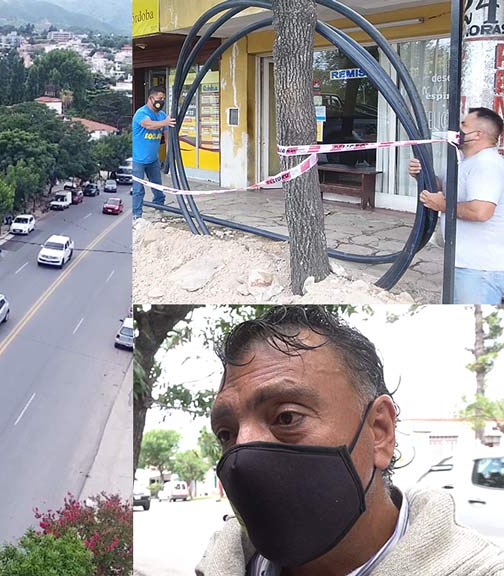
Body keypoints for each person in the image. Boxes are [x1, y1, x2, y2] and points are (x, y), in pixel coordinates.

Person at [197, 306, 504, 576]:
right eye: (227, 433)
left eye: (287, 417)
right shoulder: (220, 562)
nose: (241, 448)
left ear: (380, 431)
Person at [409, 107, 504, 304]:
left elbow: (481, 211)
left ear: (477, 134)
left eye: (463, 125)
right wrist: (421, 174)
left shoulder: (486, 164)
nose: (457, 130)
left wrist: (443, 205)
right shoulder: (465, 162)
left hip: (479, 269)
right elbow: (441, 186)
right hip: (465, 264)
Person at [132, 85, 177, 218]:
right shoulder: (142, 113)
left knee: (158, 186)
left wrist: (170, 155)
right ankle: (136, 215)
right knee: (138, 190)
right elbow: (148, 124)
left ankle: (159, 208)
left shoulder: (162, 116)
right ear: (151, 98)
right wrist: (165, 122)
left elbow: (167, 135)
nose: (161, 101)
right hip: (137, 160)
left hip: (153, 160)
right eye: (159, 98)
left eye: (163, 98)